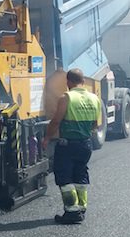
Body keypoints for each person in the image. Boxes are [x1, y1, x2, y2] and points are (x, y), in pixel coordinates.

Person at [42, 69, 102, 225]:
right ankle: (81, 208)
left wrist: (47, 137)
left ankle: (71, 211)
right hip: (85, 144)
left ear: (68, 82)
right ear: (83, 81)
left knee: (64, 176)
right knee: (80, 175)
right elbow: (95, 124)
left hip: (68, 145)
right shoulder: (94, 98)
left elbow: (56, 121)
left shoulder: (66, 98)